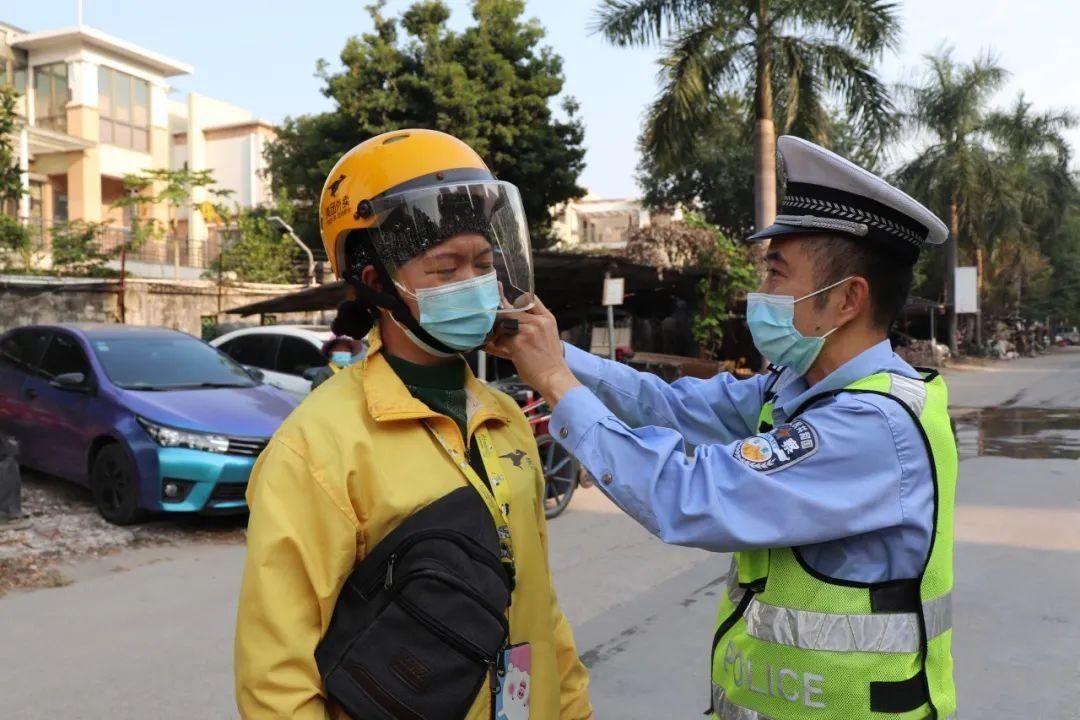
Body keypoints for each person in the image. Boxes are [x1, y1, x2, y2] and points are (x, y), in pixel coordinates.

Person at [489, 136, 958, 720]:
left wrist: (557, 383)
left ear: (846, 300)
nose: (757, 295)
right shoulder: (795, 389)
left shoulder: (870, 426)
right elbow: (665, 405)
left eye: (776, 276)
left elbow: (690, 495)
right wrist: (549, 350)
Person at [235, 129, 592, 720]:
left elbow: (538, 603)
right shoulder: (319, 447)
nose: (474, 284)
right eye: (445, 267)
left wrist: (574, 708)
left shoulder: (504, 419)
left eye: (482, 263)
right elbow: (275, 678)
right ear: (375, 281)